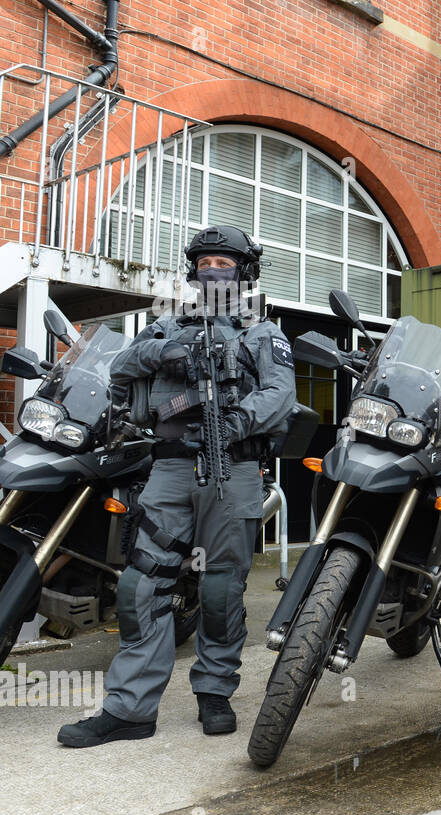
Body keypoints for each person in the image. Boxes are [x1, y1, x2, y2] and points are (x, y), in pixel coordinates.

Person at [57, 225, 296, 747]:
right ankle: (130, 710)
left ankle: (214, 692)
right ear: (192, 270)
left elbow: (280, 394)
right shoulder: (164, 325)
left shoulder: (262, 333)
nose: (213, 270)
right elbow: (120, 367)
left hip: (231, 469)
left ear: (245, 271)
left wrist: (236, 422)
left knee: (219, 587)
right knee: (142, 583)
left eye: (224, 263)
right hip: (167, 470)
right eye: (205, 262)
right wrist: (166, 354)